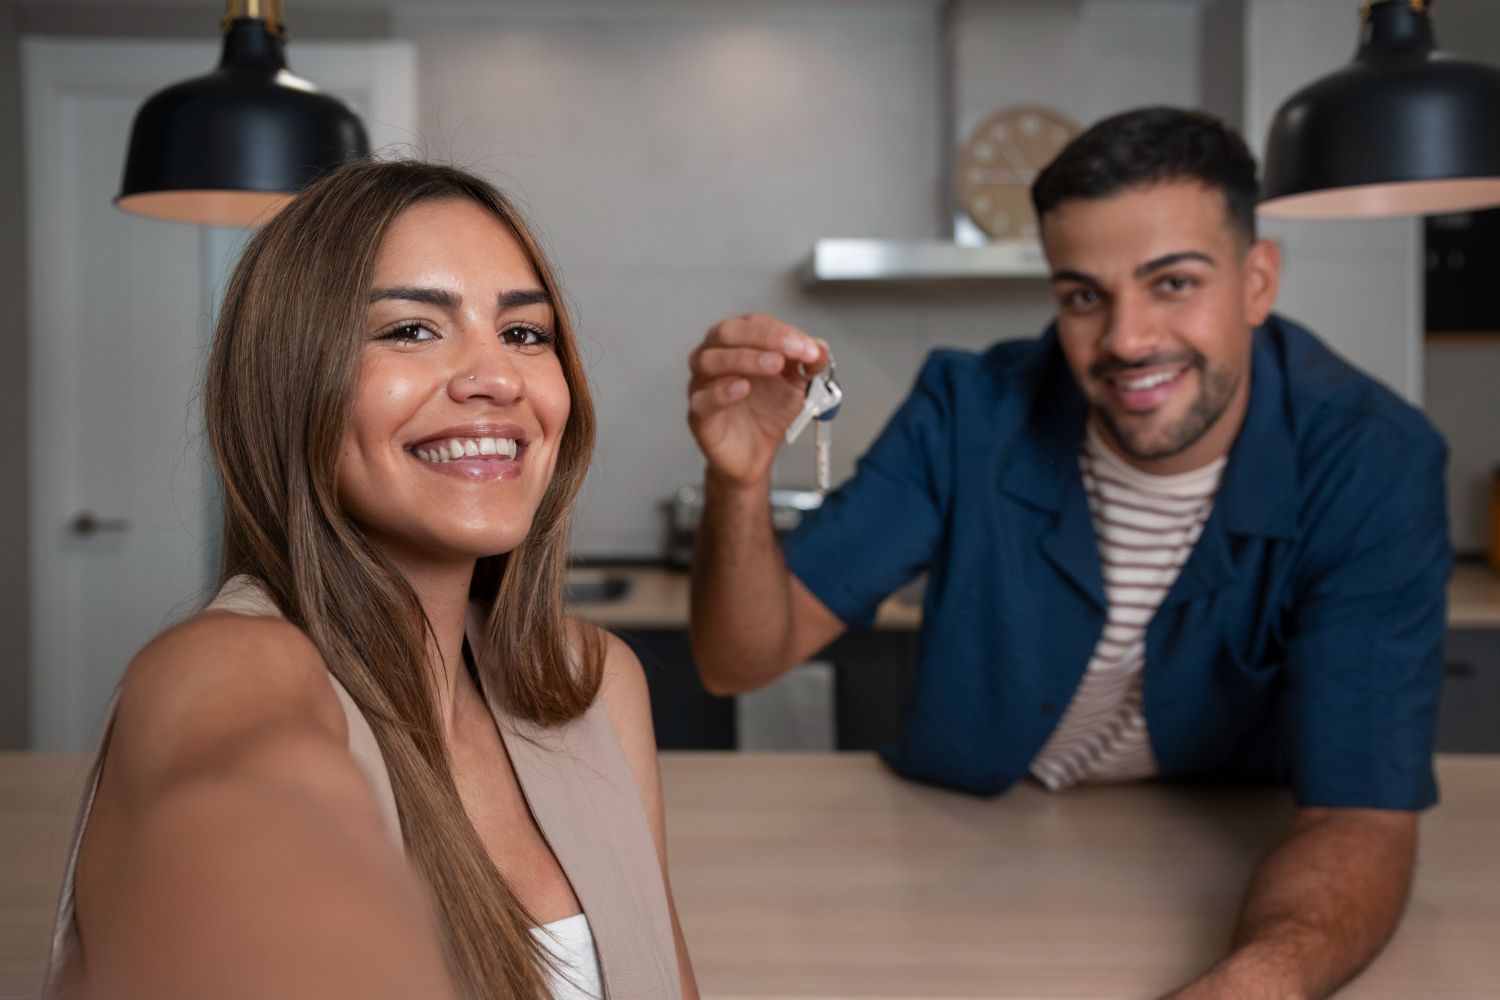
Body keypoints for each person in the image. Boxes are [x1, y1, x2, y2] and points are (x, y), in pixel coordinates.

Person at [686, 107, 1449, 999]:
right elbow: (740, 660)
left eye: (1173, 283)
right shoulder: (968, 411)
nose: (1127, 340)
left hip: (1222, 847)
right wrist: (737, 483)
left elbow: (1360, 814)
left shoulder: (1372, 460)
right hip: (962, 848)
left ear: (1257, 282)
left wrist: (1250, 987)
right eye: (1084, 295)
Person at [44, 160, 698, 1000]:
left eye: (525, 334)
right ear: (288, 383)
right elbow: (234, 817)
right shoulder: (220, 670)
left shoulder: (596, 686)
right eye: (411, 330)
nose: (496, 377)